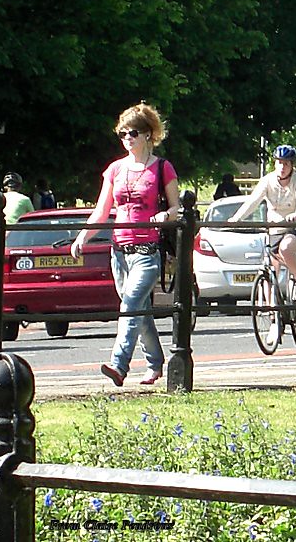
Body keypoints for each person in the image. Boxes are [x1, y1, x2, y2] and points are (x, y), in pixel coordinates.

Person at [70, 103, 178, 387]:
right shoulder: (115, 169)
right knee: (138, 311)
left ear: (148, 134)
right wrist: (82, 237)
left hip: (147, 251)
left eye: (133, 133)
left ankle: (119, 365)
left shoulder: (162, 168)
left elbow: (176, 207)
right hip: (119, 252)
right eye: (122, 133)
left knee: (130, 305)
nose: (127, 138)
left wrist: (165, 215)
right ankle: (155, 363)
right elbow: (102, 210)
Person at [230, 144, 296, 338]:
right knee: (269, 274)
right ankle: (274, 320)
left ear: (292, 165)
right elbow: (252, 201)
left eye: (286, 163)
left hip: (294, 228)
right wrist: (236, 219)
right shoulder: (267, 181)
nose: (282, 167)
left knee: (286, 248)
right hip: (274, 230)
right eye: (279, 163)